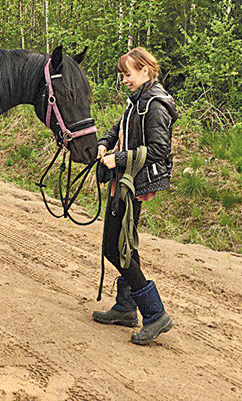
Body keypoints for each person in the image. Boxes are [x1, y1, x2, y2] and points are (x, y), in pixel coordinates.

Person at [94, 47, 177, 345]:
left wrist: (119, 158)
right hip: (125, 181)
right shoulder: (138, 101)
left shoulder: (154, 104)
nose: (125, 80)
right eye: (123, 75)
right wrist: (106, 142)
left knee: (116, 249)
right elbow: (121, 127)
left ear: (145, 70)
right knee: (123, 244)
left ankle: (155, 314)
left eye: (128, 74)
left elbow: (158, 150)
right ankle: (127, 307)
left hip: (134, 184)